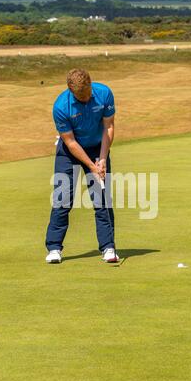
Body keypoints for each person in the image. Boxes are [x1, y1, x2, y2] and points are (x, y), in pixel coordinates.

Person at [45, 68, 119, 264]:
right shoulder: (61, 106)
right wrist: (91, 167)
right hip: (69, 152)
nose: (85, 98)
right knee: (62, 198)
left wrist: (102, 159)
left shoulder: (104, 93)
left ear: (90, 85)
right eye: (80, 96)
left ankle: (108, 247)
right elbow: (70, 142)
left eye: (87, 94)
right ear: (71, 91)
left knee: (101, 198)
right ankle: (54, 248)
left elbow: (109, 127)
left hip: (97, 147)